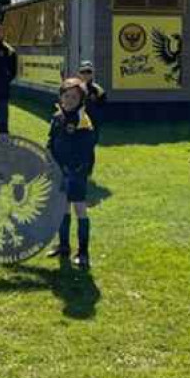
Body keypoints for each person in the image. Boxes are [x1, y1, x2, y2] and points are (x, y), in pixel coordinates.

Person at [46, 78, 97, 269]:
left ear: (81, 99)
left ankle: (83, 252)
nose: (69, 100)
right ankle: (64, 245)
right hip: (59, 170)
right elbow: (51, 140)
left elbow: (86, 150)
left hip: (75, 172)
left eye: (74, 97)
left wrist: (75, 169)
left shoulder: (82, 120)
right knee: (62, 207)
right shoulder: (58, 116)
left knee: (79, 209)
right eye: (66, 96)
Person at [77, 61, 107, 141]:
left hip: (92, 124)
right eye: (83, 72)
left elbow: (102, 107)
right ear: (79, 73)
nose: (85, 74)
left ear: (92, 73)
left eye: (88, 72)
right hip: (77, 122)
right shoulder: (76, 88)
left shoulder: (98, 90)